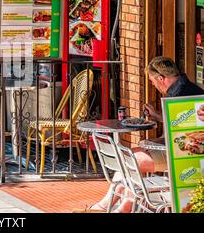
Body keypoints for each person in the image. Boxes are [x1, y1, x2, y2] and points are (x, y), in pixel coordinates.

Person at [75, 56, 204, 213]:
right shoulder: (187, 89)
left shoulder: (179, 94)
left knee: (132, 160)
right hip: (178, 150)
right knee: (130, 157)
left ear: (161, 78)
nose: (153, 84)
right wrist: (156, 115)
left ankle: (116, 208)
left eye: (152, 81)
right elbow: (179, 123)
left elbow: (185, 133)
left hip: (181, 157)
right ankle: (111, 207)